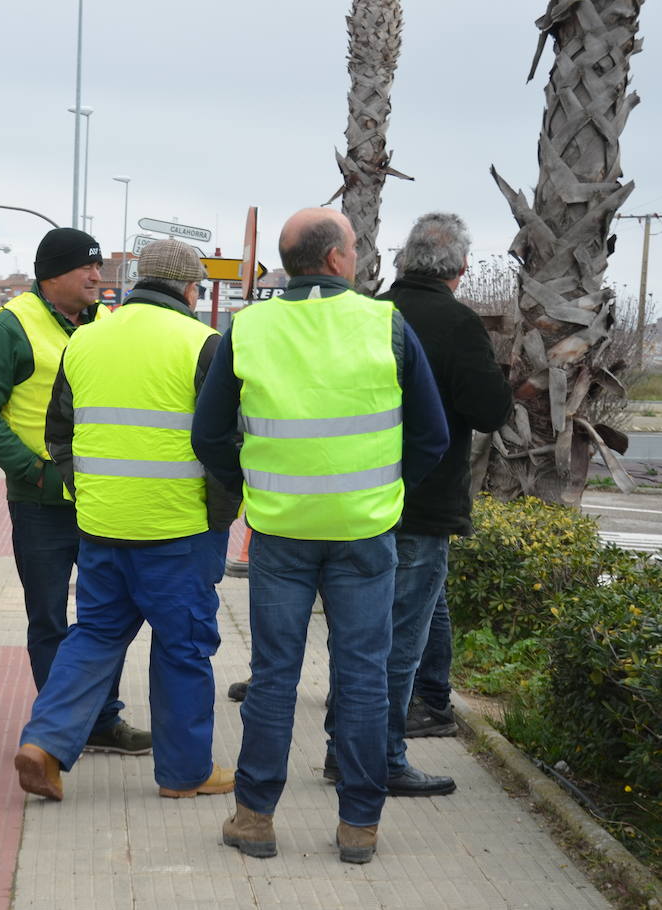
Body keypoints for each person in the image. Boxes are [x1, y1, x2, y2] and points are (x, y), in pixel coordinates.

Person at [194, 208, 448, 865]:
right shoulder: (385, 323)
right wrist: (387, 495)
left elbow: (209, 434)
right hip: (365, 530)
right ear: (336, 259)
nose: (358, 255)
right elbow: (432, 436)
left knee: (274, 676)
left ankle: (254, 819)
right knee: (363, 677)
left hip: (280, 530)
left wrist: (251, 486)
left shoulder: (246, 328)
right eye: (355, 246)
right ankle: (358, 827)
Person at [15, 239, 239, 802]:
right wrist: (221, 512)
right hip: (177, 529)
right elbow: (224, 443)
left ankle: (43, 743)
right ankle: (186, 773)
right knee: (182, 645)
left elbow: (58, 433)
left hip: (101, 524)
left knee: (94, 635)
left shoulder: (86, 339)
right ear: (191, 289)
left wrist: (84, 489)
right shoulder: (204, 344)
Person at [0, 227, 150, 756]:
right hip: (40, 501)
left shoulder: (108, 322)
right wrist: (33, 470)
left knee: (105, 615)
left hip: (100, 498)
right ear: (52, 277)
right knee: (48, 616)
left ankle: (103, 720)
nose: (97, 277)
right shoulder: (11, 327)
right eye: (85, 269)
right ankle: (61, 728)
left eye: (98, 267)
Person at [380, 213, 512, 747]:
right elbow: (489, 411)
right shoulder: (458, 323)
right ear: (459, 269)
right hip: (428, 495)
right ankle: (406, 719)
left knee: (420, 600)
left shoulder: (373, 313)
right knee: (408, 618)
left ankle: (432, 698)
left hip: (364, 490)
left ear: (403, 261)